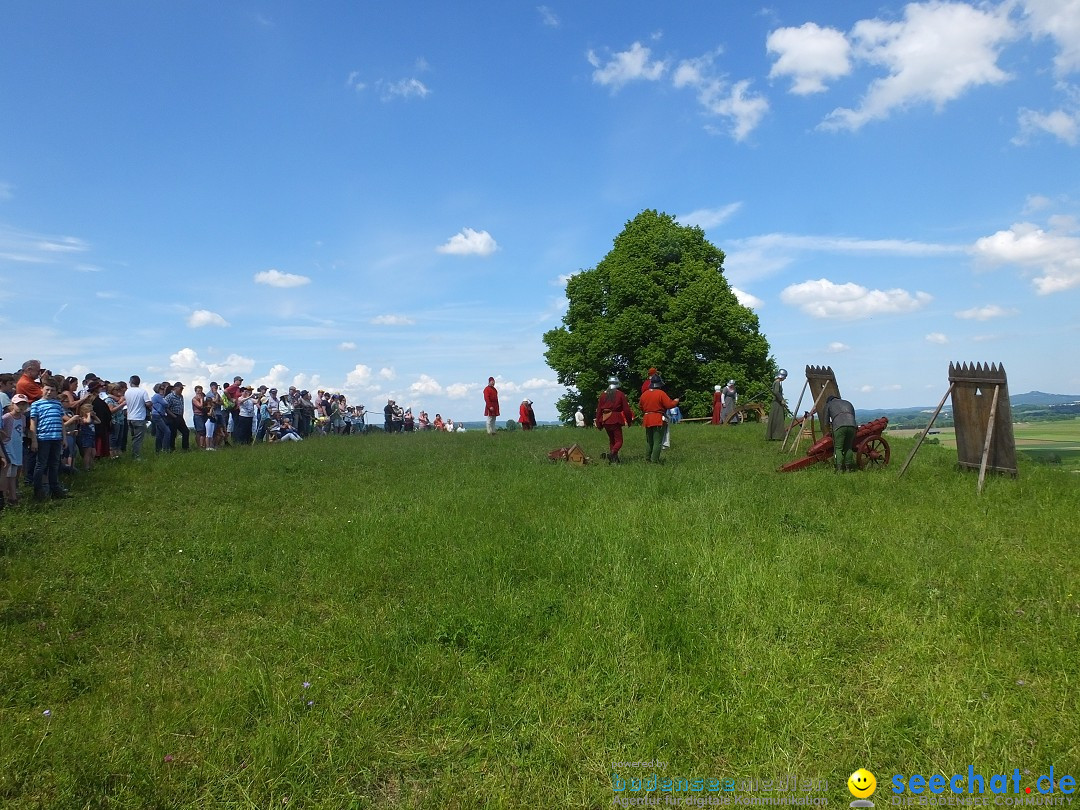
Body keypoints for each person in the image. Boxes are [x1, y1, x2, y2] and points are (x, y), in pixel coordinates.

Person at [28, 379, 68, 500]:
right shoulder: (36, 404)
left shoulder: (57, 404)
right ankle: (38, 490)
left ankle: (54, 488)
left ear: (56, 392)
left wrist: (64, 438)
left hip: (56, 438)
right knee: (41, 464)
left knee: (55, 464)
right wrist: (34, 440)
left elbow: (61, 422)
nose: (49, 392)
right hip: (43, 438)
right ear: (42, 390)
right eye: (47, 389)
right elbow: (33, 423)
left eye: (52, 390)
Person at [639, 375, 679, 464]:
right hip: (657, 418)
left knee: (649, 441)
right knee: (657, 442)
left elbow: (640, 406)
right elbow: (669, 405)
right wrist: (675, 401)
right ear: (659, 384)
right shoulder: (661, 393)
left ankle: (647, 459)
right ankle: (654, 461)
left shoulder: (644, 394)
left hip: (647, 418)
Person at [595, 376, 634, 464]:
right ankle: (612, 453)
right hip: (615, 418)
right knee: (619, 441)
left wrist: (599, 423)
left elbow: (599, 410)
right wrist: (629, 421)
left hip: (605, 419)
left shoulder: (603, 395)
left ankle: (614, 460)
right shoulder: (620, 394)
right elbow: (627, 410)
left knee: (612, 440)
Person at [825, 395, 858, 472]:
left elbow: (825, 421)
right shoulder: (848, 403)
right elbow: (853, 416)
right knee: (848, 447)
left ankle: (839, 468)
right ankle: (848, 468)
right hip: (852, 425)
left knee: (838, 448)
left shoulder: (829, 404)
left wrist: (828, 430)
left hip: (839, 426)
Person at [124, 375, 152, 459]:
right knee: (138, 439)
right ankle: (136, 456)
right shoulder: (142, 392)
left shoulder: (127, 392)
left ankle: (132, 453)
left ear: (131, 382)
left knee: (133, 437)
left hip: (130, 417)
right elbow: (148, 403)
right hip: (139, 417)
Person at [766, 369, 788, 441]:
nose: (785, 378)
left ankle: (775, 435)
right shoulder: (777, 382)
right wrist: (781, 400)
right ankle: (777, 436)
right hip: (777, 403)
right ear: (782, 376)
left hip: (777, 403)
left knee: (777, 419)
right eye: (785, 377)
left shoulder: (777, 382)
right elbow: (776, 392)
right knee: (778, 420)